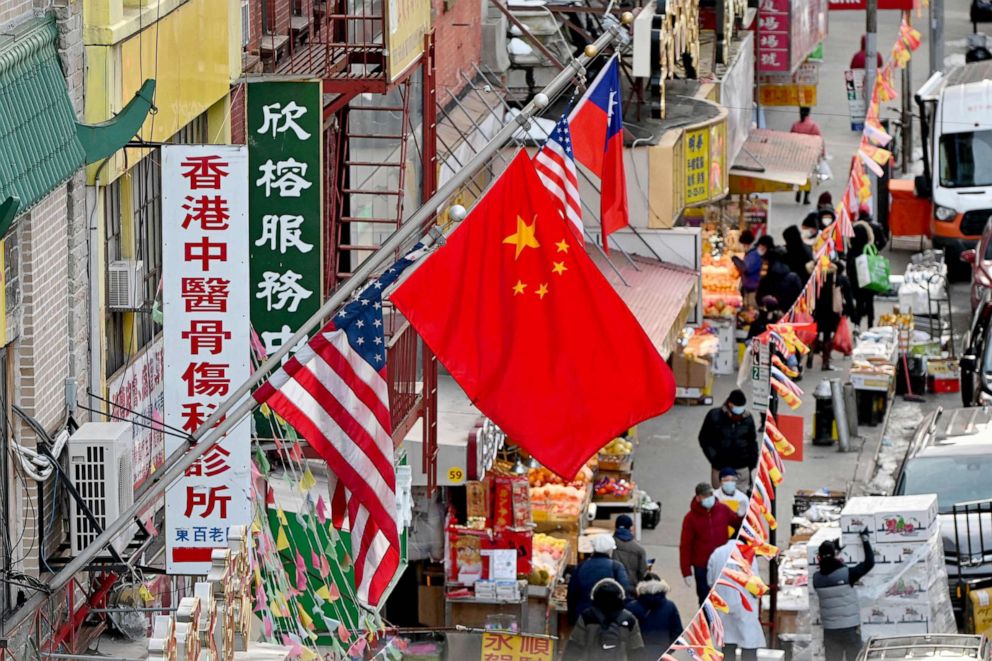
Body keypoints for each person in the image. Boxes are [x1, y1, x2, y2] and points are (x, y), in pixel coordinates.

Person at [813, 530, 876, 661]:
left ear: (819, 557)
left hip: (830, 631)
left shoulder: (816, 579)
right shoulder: (847, 574)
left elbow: (827, 568)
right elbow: (869, 562)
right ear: (835, 554)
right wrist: (865, 539)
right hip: (850, 629)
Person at [679, 483, 742, 605]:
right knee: (705, 600)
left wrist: (741, 516)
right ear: (698, 498)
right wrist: (686, 571)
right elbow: (685, 546)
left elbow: (738, 524)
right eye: (705, 495)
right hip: (702, 566)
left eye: (710, 494)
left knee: (724, 597)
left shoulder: (723, 510)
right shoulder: (690, 518)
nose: (709, 497)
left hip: (722, 562)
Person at [707, 528, 765, 661]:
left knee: (727, 641)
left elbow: (710, 580)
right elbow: (754, 583)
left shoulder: (717, 553)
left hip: (722, 603)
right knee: (749, 641)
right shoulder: (746, 553)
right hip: (743, 604)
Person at [567, 578, 644, 661]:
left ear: (595, 596)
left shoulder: (587, 616)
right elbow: (637, 651)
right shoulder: (629, 619)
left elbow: (574, 647)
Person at [697, 389, 758, 492]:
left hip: (741, 466)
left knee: (741, 499)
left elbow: (752, 441)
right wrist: (714, 458)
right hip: (720, 466)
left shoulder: (747, 418)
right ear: (730, 404)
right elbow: (704, 439)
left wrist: (752, 462)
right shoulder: (714, 416)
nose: (740, 410)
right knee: (720, 498)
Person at [567, 534, 632, 624]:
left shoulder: (581, 566)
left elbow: (572, 594)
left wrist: (571, 617)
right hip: (608, 618)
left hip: (583, 616)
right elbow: (625, 592)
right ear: (610, 550)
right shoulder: (616, 567)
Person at [809, 259, 853, 371]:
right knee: (827, 336)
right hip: (831, 312)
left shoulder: (817, 278)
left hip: (817, 310)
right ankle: (825, 362)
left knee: (816, 333)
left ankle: (810, 356)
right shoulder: (836, 279)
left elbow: (808, 267)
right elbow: (845, 298)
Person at [628, 574, 682, 660]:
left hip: (638, 655)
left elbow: (625, 634)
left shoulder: (631, 608)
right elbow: (678, 633)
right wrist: (668, 651)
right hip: (662, 653)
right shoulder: (670, 606)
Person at [846, 220, 877, 330]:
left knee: (859, 303)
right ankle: (870, 325)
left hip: (857, 281)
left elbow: (848, 267)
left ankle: (857, 325)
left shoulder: (852, 251)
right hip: (869, 280)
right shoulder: (868, 249)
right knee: (869, 302)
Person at [791, 108, 822, 205]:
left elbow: (790, 139)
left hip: (798, 155)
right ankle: (806, 197)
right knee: (808, 177)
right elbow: (819, 140)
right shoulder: (813, 126)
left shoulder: (795, 125)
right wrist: (821, 154)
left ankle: (799, 191)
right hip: (809, 156)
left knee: (799, 175)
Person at [613, 515, 649, 585]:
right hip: (631, 587)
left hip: (611, 587)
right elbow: (643, 573)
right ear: (630, 528)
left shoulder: (608, 545)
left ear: (616, 527)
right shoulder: (639, 550)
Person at [737, 230, 763, 307]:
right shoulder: (751, 253)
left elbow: (747, 269)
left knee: (751, 312)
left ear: (746, 244)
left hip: (753, 291)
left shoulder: (754, 254)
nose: (743, 247)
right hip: (748, 289)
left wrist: (736, 260)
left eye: (743, 245)